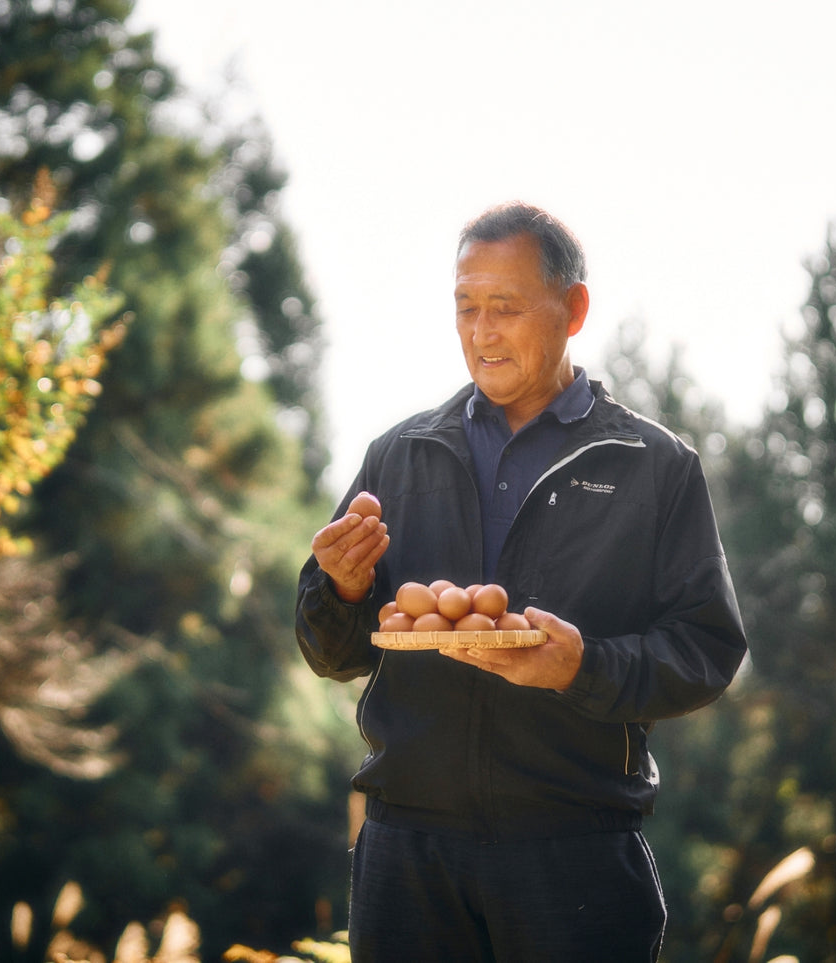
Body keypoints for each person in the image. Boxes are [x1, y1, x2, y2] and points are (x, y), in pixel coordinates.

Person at [295, 201, 747, 962]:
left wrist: (583, 667)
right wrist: (337, 588)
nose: (480, 331)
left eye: (503, 307)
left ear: (573, 308)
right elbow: (332, 653)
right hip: (408, 851)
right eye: (465, 307)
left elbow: (705, 649)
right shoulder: (397, 454)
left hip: (574, 854)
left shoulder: (652, 465)